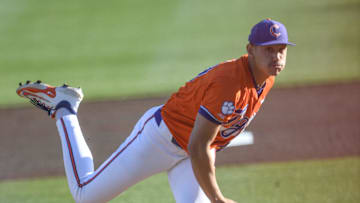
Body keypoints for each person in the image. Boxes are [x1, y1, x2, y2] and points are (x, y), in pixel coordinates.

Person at [16, 18, 295, 203]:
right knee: (85, 195)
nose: (276, 57)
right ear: (250, 50)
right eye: (269, 50)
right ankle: (65, 107)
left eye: (281, 50)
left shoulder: (266, 78)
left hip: (192, 151)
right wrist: (218, 199)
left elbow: (203, 144)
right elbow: (199, 145)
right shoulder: (229, 83)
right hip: (160, 140)